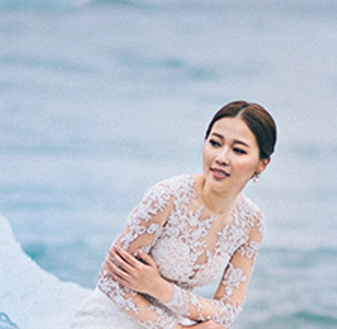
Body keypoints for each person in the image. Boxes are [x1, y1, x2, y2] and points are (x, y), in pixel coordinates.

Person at [72, 101, 277, 329]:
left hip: (174, 320)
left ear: (262, 164)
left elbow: (229, 308)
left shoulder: (252, 222)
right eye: (215, 143)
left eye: (238, 150)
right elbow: (110, 281)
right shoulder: (167, 197)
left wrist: (159, 288)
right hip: (115, 318)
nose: (221, 157)